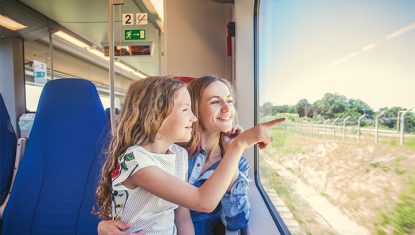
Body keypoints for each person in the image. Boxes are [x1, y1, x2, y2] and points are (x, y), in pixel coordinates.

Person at [96, 76, 283, 235]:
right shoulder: (150, 155)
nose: (227, 108)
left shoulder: (180, 155)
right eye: (215, 101)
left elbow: (233, 222)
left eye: (230, 100)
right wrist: (239, 144)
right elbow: (202, 201)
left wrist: (230, 152)